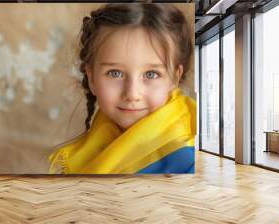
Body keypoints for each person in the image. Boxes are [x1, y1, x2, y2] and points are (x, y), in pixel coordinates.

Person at [48, 3, 196, 174]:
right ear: (92, 77)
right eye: (115, 73)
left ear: (175, 77)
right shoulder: (97, 142)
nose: (132, 94)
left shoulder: (188, 158)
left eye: (151, 74)